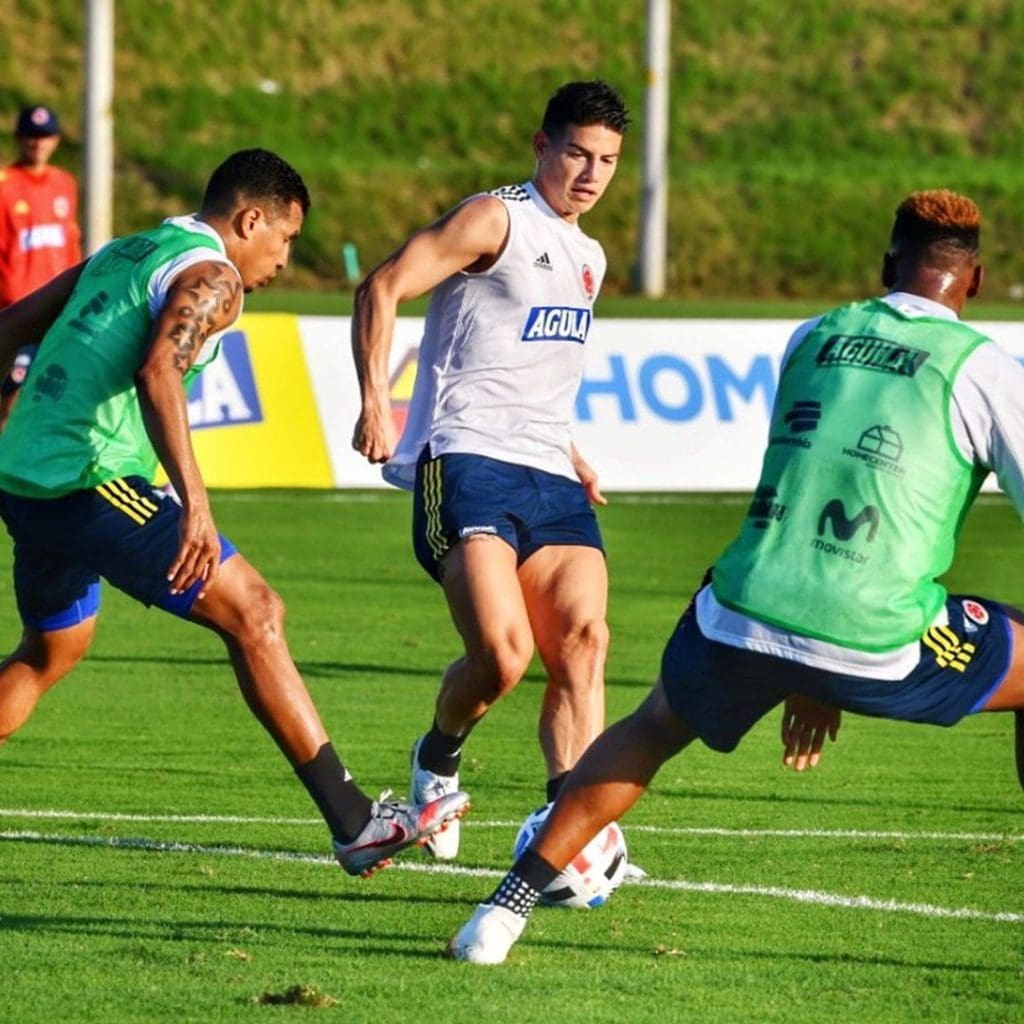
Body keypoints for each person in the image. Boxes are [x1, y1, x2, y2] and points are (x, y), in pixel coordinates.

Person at [447, 188, 1024, 962]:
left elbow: (818, 472)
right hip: (874, 635)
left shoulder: (812, 337)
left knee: (651, 728)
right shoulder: (987, 370)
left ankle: (499, 915)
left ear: (886, 265)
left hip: (742, 605)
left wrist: (808, 677)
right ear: (976, 283)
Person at [0, 148, 467, 879]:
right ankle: (355, 823)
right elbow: (160, 371)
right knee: (255, 612)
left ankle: (355, 824)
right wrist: (195, 506)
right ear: (250, 219)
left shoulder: (130, 247)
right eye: (284, 239)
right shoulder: (214, 274)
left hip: (27, 478)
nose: (284, 259)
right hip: (88, 477)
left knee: (48, 653)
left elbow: (13, 326)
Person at [351, 80, 629, 860]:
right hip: (467, 458)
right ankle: (437, 756)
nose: (591, 172)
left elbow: (536, 365)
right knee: (503, 658)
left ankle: (570, 834)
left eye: (607, 159)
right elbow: (382, 285)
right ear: (541, 146)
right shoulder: (494, 218)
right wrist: (377, 401)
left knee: (584, 638)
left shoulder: (591, 256)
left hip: (550, 473)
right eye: (577, 151)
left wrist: (570, 451)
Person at [0, 105, 81, 429]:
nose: (38, 144)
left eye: (45, 136)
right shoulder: (4, 184)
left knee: (54, 396)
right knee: (10, 397)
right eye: (32, 136)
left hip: (59, 308)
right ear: (20, 139)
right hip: (18, 310)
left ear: (56, 140)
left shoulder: (64, 183)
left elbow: (69, 241)